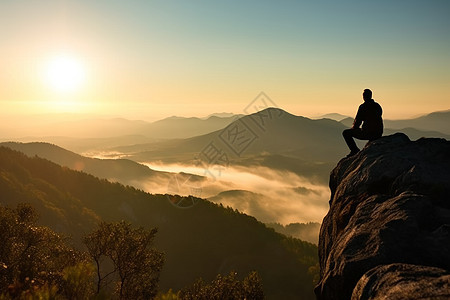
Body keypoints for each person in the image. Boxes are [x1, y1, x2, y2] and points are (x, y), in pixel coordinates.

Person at [343, 89, 383, 157]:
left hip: (368, 133)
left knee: (346, 133)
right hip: (378, 133)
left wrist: (354, 129)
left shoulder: (363, 107)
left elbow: (357, 122)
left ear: (364, 97)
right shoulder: (377, 106)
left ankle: (354, 150)